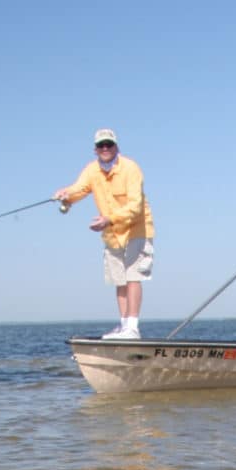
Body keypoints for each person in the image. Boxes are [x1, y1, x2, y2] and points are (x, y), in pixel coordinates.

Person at [54, 128, 155, 339]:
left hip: (137, 227)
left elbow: (135, 206)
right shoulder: (91, 170)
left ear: (116, 147)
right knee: (119, 279)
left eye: (109, 144)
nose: (105, 148)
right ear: (95, 150)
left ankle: (132, 327)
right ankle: (124, 324)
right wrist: (65, 195)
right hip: (112, 233)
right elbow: (79, 189)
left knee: (132, 276)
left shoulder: (131, 168)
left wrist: (108, 219)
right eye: (101, 145)